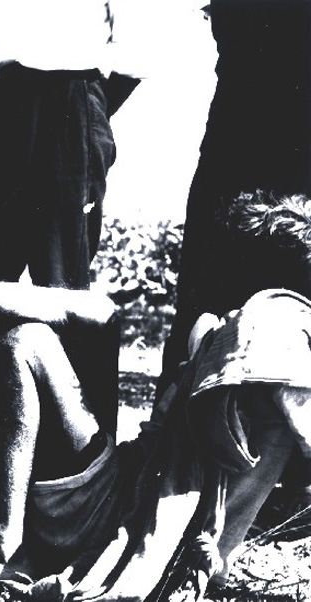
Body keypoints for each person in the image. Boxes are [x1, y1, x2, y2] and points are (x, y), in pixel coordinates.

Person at [0, 179, 311, 599]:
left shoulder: (276, 334)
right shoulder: (238, 330)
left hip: (125, 524)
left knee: (27, 343)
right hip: (120, 490)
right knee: (96, 312)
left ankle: (3, 546)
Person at [0, 0, 142, 486]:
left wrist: (82, 106)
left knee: (64, 291)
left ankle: (76, 468)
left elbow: (139, 51)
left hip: (72, 104)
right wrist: (5, 100)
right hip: (6, 103)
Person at [159, 0, 311, 523]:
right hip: (237, 131)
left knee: (292, 297)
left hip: (299, 140)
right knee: (209, 299)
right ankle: (184, 464)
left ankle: (290, 479)